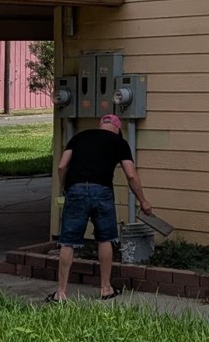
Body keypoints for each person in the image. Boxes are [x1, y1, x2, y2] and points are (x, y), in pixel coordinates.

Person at [48, 112, 152, 302]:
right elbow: (130, 175)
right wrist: (143, 201)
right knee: (105, 238)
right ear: (118, 129)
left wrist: (67, 187)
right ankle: (105, 288)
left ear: (100, 125)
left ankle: (61, 293)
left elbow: (62, 166)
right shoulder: (119, 143)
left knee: (68, 241)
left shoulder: (78, 137)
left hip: (76, 190)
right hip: (102, 191)